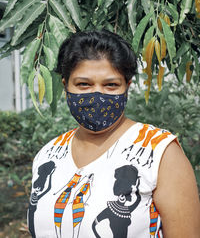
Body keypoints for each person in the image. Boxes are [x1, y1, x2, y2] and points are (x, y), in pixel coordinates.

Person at [28, 30, 200, 238]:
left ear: (127, 87)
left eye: (111, 85)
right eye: (84, 84)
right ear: (66, 87)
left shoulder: (160, 153)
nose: (97, 95)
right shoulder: (49, 155)